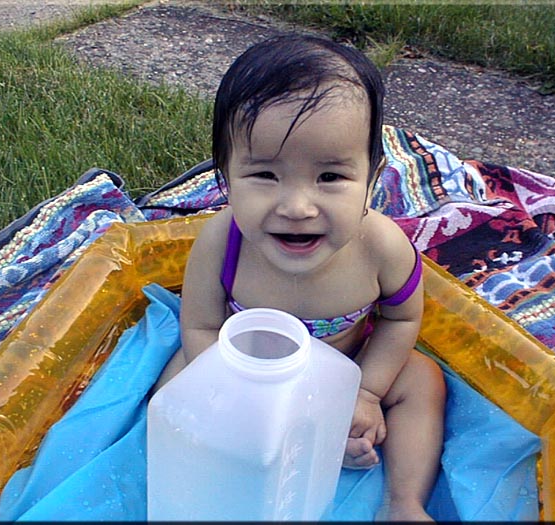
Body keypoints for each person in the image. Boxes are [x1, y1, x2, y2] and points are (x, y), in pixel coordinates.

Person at [155, 33, 446, 521]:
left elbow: (401, 318)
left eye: (330, 177)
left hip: (349, 367)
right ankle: (206, 474)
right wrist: (238, 400)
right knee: (170, 392)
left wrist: (366, 392)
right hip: (243, 372)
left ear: (372, 179)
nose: (296, 207)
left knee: (423, 380)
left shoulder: (381, 247)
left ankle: (403, 501)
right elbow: (201, 329)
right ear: (225, 178)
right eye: (265, 176)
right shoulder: (221, 242)